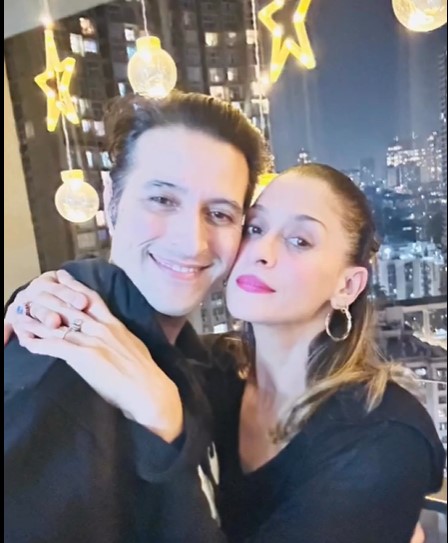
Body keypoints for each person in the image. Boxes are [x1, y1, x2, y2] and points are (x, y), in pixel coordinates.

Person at [6, 163, 443, 542]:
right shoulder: (210, 370)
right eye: (254, 229)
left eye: (300, 241)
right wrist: (38, 300)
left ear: (347, 285)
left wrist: (164, 426)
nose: (262, 253)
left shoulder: (384, 440)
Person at [4, 91, 269, 543]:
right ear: (112, 201)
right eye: (162, 199)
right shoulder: (58, 367)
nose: (192, 242)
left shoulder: (189, 365)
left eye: (219, 213)